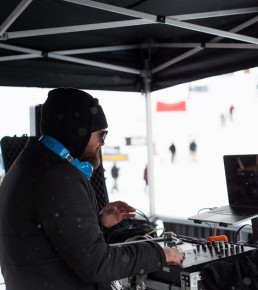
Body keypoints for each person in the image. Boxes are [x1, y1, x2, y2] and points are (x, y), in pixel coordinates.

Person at [0, 88, 183, 290]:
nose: (102, 143)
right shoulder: (58, 178)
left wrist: (98, 223)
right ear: (76, 130)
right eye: (101, 134)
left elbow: (52, 240)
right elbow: (97, 264)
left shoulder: (28, 165)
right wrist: (158, 253)